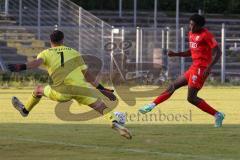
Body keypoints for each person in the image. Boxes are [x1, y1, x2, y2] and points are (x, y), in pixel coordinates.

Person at [8, 30, 132, 139]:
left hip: (61, 91)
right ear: (63, 40)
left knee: (38, 90)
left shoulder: (46, 53)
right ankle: (114, 121)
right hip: (80, 89)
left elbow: (35, 63)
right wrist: (102, 89)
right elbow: (88, 75)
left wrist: (21, 66)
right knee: (101, 106)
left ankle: (25, 111)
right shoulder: (74, 52)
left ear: (50, 41)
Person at [139, 14, 225, 127]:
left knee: (191, 98)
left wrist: (209, 67)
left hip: (201, 69)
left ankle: (217, 114)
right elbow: (192, 51)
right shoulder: (191, 34)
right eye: (190, 24)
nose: (191, 27)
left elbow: (218, 52)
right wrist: (176, 54)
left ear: (200, 25)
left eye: (193, 25)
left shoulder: (206, 35)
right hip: (194, 68)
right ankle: (151, 105)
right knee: (172, 86)